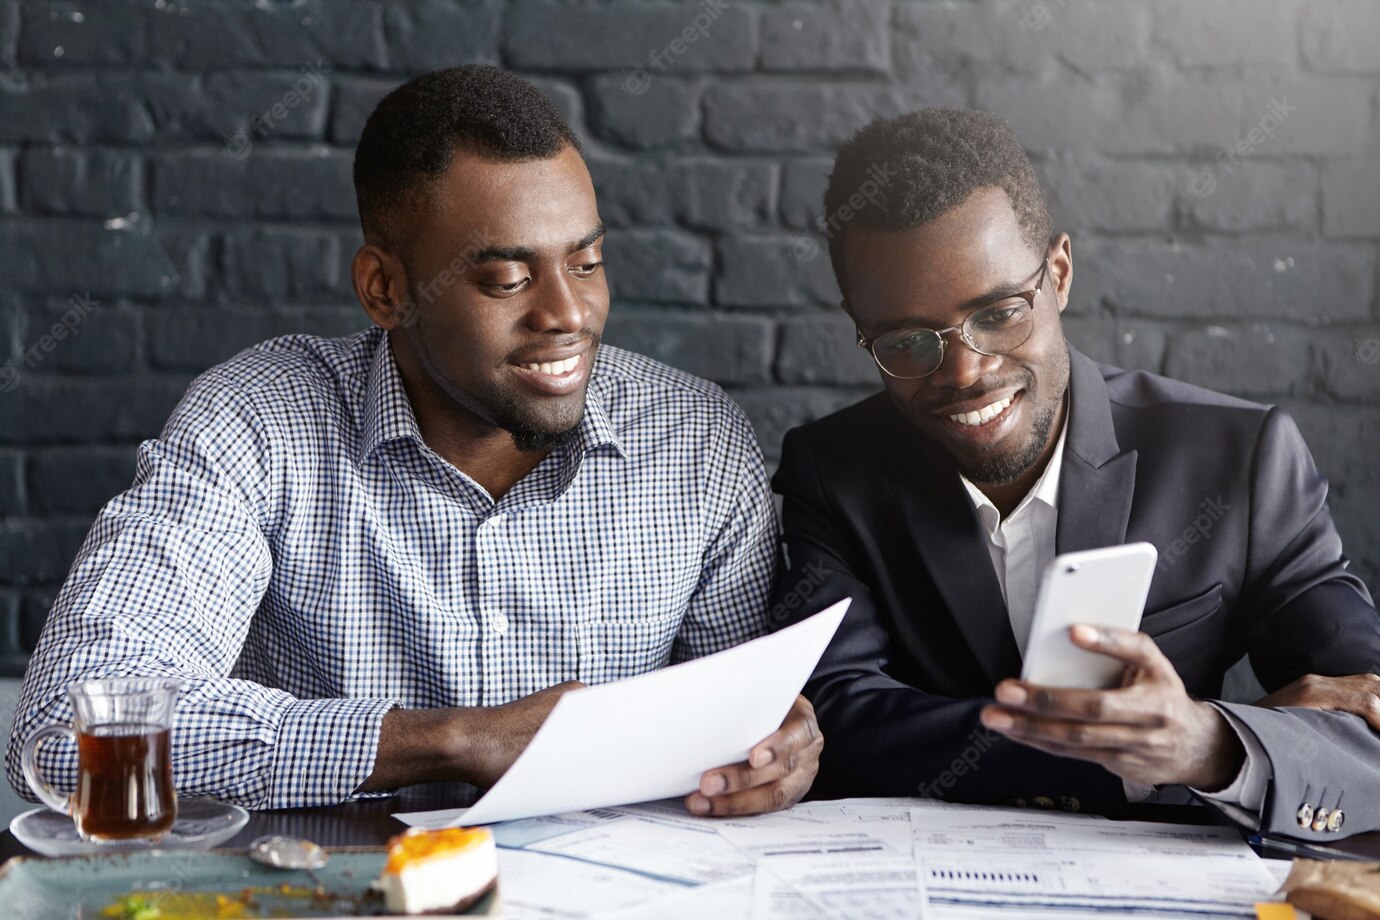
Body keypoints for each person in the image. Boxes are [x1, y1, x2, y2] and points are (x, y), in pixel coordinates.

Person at [6, 65, 821, 816]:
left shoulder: (696, 442)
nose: (568, 316)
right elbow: (65, 729)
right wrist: (453, 740)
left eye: (587, 262)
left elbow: (738, 727)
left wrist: (773, 753)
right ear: (386, 288)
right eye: (507, 279)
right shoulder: (257, 423)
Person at [771, 107, 1380, 839]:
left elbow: (1364, 724)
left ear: (1058, 274)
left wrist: (1212, 743)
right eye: (906, 341)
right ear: (860, 326)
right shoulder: (833, 470)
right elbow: (835, 714)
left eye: (999, 313)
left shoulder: (1239, 459)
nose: (967, 372)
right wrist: (1151, 749)